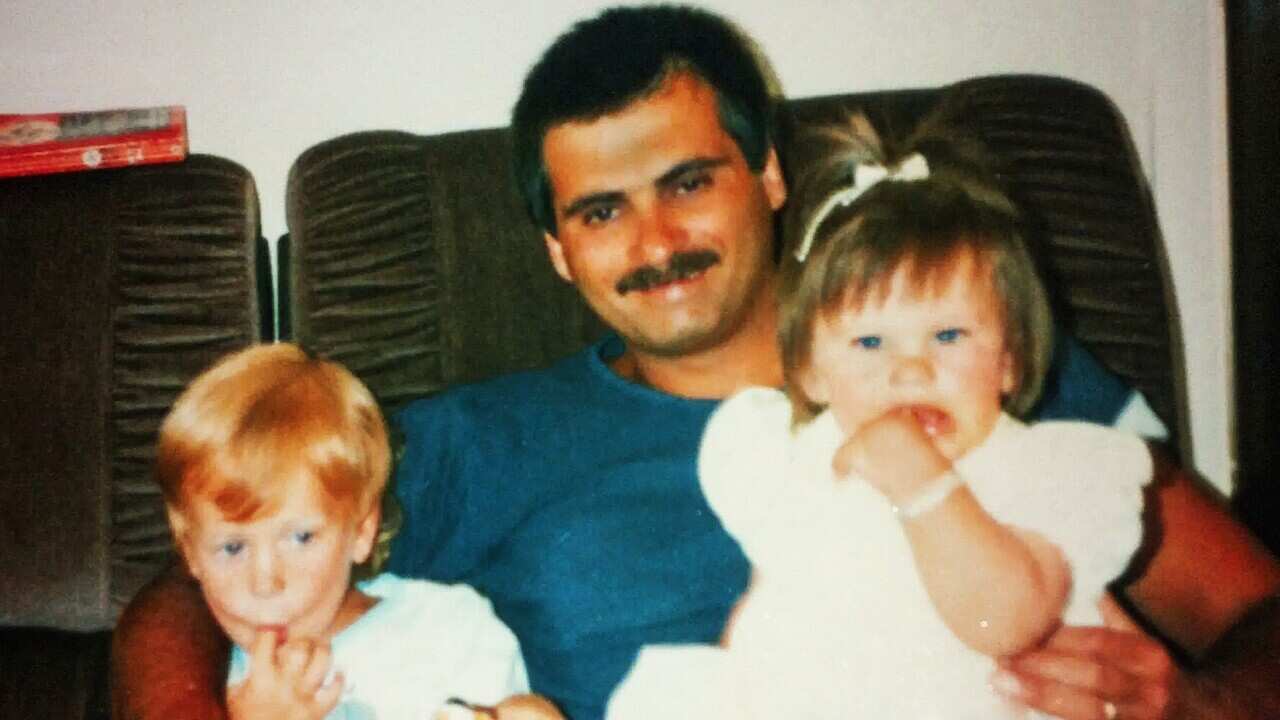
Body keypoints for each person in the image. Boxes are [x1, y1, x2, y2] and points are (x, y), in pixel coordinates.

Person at [113, 5, 1280, 720]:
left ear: (769, 174)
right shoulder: (482, 440)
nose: (655, 243)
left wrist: (1200, 704)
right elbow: (183, 595)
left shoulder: (961, 364)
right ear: (558, 255)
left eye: (686, 183)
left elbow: (1255, 606)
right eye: (601, 212)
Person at [610, 111, 1156, 718]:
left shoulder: (1043, 470)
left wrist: (922, 482)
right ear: (811, 372)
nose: (910, 370)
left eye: (948, 335)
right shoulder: (796, 459)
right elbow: (763, 613)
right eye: (870, 344)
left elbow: (1004, 623)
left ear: (1010, 362)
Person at [150, 343, 559, 720]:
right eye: (233, 547)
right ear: (190, 553)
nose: (266, 581)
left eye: (300, 538)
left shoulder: (449, 628)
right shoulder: (203, 683)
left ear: (362, 530)